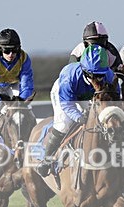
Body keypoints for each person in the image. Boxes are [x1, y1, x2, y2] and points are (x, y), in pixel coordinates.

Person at [36, 45, 116, 176]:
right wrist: (79, 117)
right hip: (66, 96)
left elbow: (115, 100)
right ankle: (47, 160)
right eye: (94, 75)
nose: (98, 79)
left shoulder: (109, 75)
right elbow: (67, 104)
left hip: (89, 96)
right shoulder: (69, 76)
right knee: (64, 124)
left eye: (101, 75)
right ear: (85, 71)